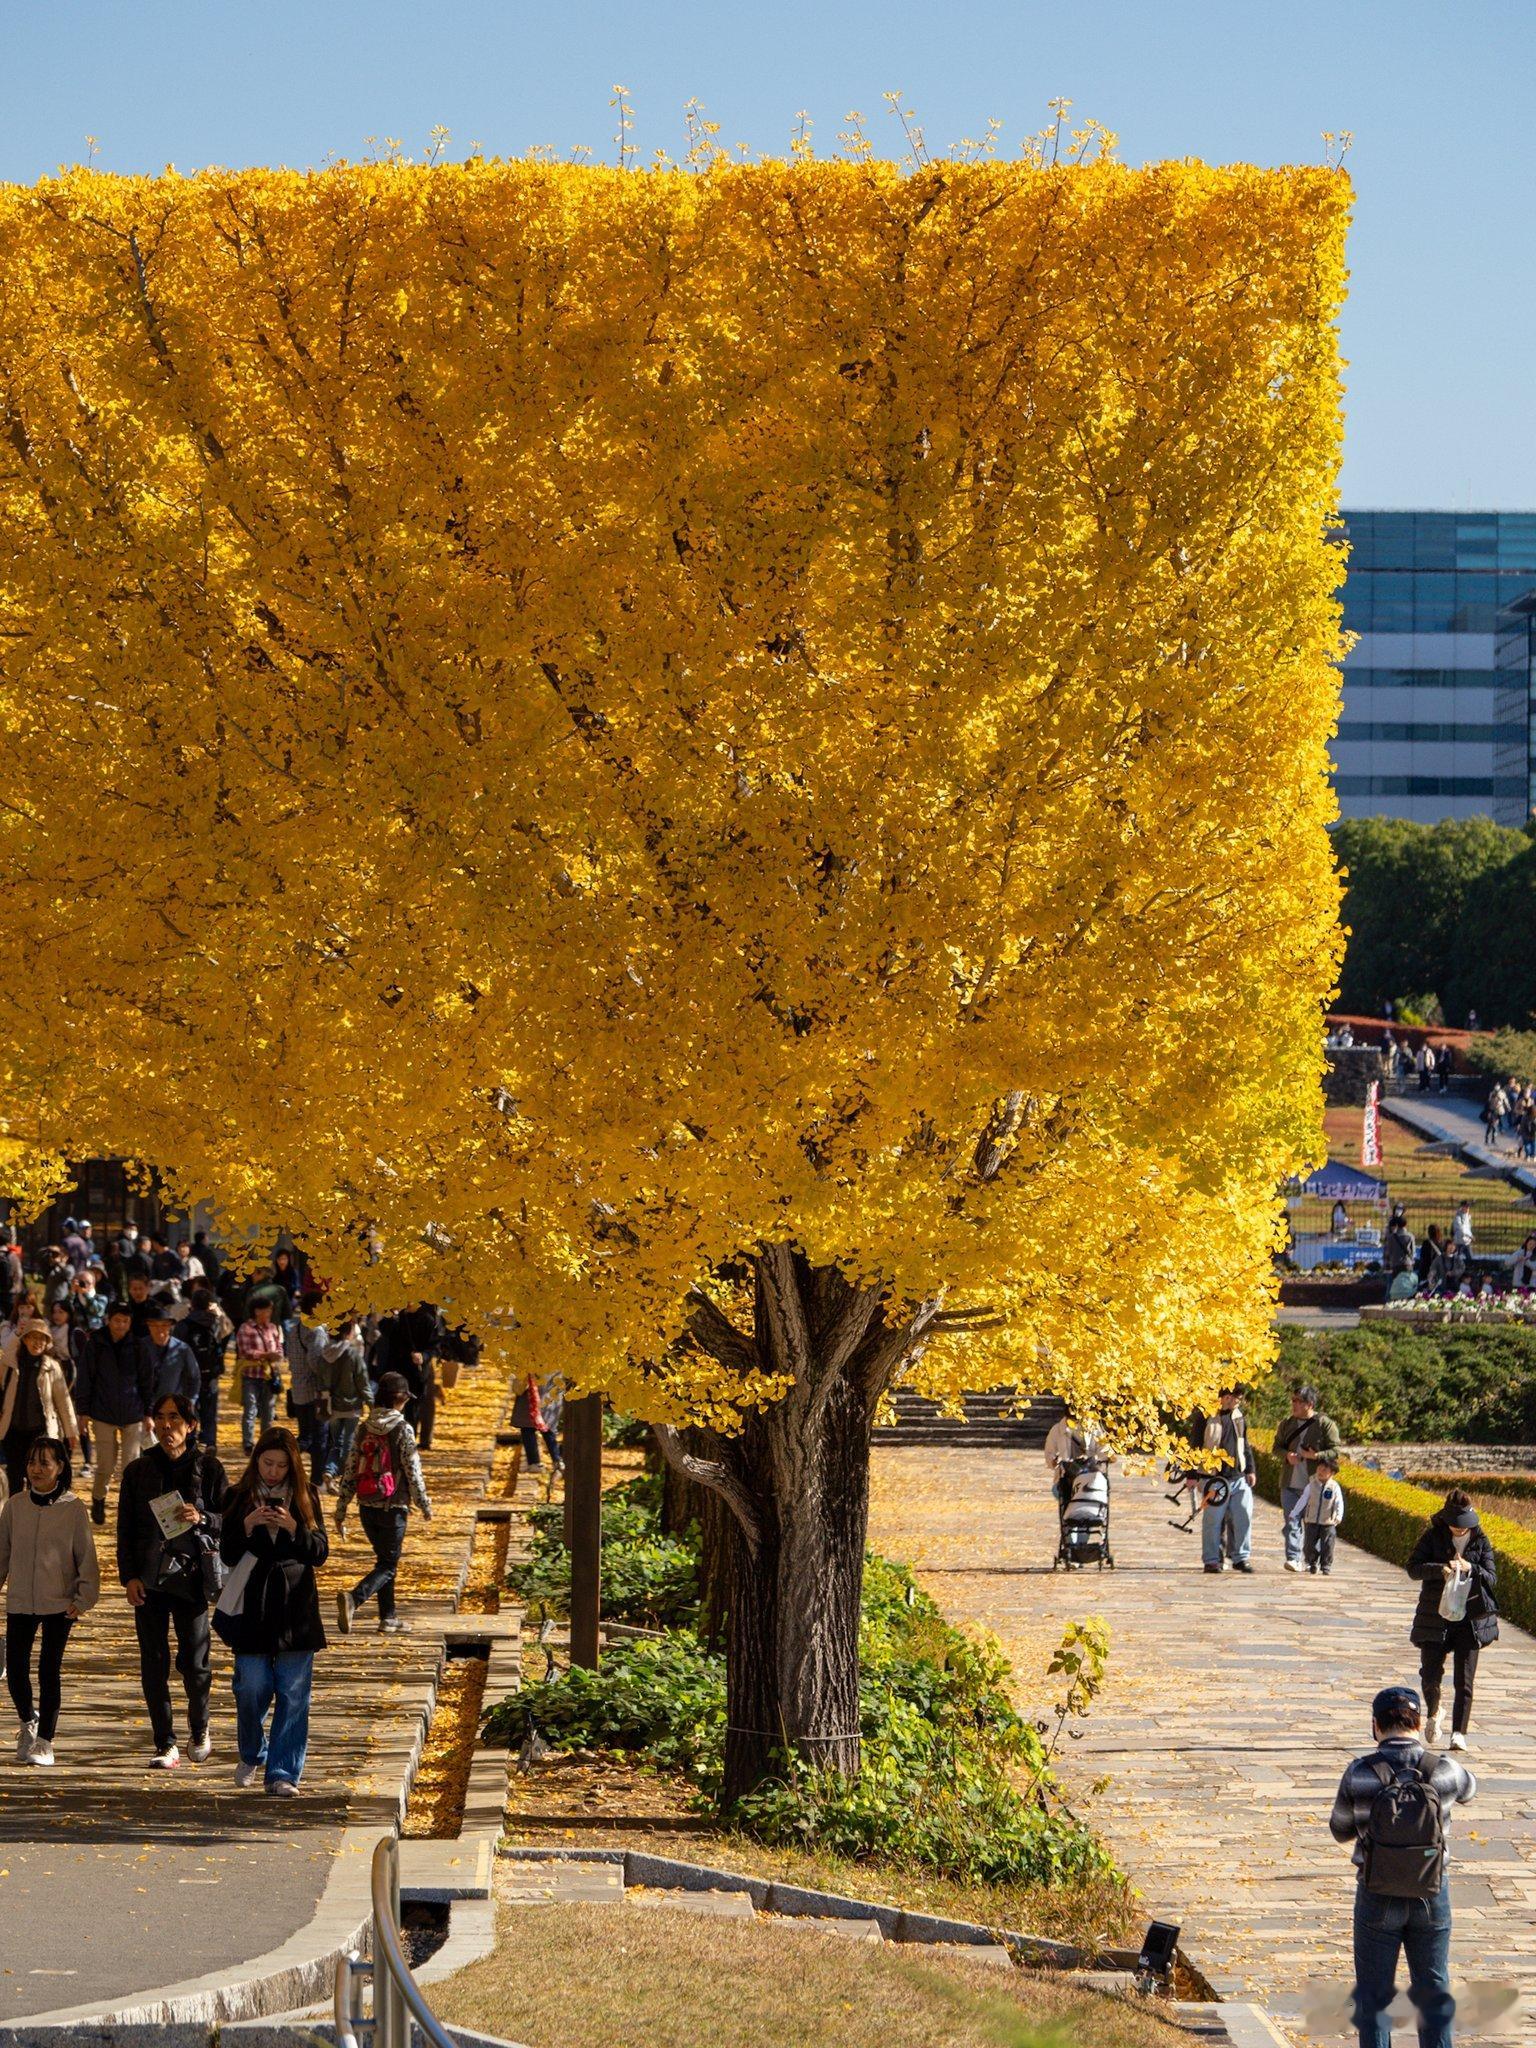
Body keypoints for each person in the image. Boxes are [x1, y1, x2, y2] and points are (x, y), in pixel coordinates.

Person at [1329, 1684, 1474, 2048]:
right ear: (1418, 1721)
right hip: (1431, 1892)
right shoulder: (1443, 1770)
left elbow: (1340, 1829)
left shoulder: (1359, 1773)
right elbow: (1470, 1789)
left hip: (1376, 1893)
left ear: (1376, 1725)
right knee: (1433, 1992)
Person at [117, 1392, 227, 1767]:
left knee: (195, 1663)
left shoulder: (209, 1469)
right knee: (154, 1662)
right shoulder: (138, 1470)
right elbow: (125, 1529)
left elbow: (229, 1521)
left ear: (191, 1425)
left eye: (176, 1418)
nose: (167, 1426)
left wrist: (204, 1518)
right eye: (161, 1417)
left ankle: (200, 1728)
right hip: (149, 1580)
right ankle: (164, 1742)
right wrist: (129, 1576)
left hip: (192, 1579)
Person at [217, 1426, 327, 1792]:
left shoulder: (306, 1495)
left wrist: (295, 1528)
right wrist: (247, 1525)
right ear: (257, 1461)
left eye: (281, 1465)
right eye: (267, 1463)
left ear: (292, 1466)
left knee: (294, 1693)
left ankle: (283, 1773)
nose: (273, 1472)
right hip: (253, 1603)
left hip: (296, 1604)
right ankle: (252, 1751)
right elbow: (227, 1553)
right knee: (252, 1686)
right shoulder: (238, 1495)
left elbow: (320, 1553)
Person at [0, 1436, 99, 1765]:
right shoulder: (14, 1506)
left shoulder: (73, 1508)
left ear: (60, 1467)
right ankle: (29, 1720)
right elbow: (2, 1554)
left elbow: (86, 1557)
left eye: (45, 1462)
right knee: (15, 1669)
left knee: (48, 1669)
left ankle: (45, 1741)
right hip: (20, 1600)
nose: (37, 1469)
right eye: (32, 1462)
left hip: (60, 1602)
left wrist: (84, 1598)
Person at [334, 1372, 431, 1636]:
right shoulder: (403, 1428)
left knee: (385, 1562)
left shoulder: (363, 1427)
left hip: (367, 1507)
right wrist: (423, 1503)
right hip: (393, 1506)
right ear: (400, 1399)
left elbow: (351, 1468)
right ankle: (354, 1598)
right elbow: (412, 1470)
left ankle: (388, 1618)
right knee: (388, 1565)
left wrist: (341, 1509)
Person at [1408, 1490, 1497, 1752]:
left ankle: (1459, 1732)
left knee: (1464, 1680)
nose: (1460, 1531)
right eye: (1455, 1526)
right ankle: (1435, 1711)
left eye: (1464, 1527)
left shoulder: (1481, 1540)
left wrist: (1472, 1568)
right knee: (1429, 1674)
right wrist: (1440, 1569)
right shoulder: (1433, 1536)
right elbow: (1413, 1567)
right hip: (1435, 1615)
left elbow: (1492, 1577)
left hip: (1470, 1619)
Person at [73, 1303, 153, 1527]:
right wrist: (83, 1412)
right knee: (105, 1464)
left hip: (133, 1413)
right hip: (103, 1413)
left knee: (131, 1464)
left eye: (125, 1321)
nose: (121, 1325)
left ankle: (131, 1506)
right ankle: (99, 1499)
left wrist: (149, 1412)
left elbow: (147, 1381)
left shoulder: (138, 1346)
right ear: (109, 1319)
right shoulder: (95, 1344)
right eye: (117, 1320)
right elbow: (85, 1379)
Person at [0, 1318, 81, 1498]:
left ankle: (37, 1516)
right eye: (33, 1337)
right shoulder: (10, 1363)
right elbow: (6, 1351)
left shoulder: (52, 1367)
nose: (37, 1342)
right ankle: (15, 1519)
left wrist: (71, 1431)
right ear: (25, 1339)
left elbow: (64, 1402)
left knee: (37, 1477)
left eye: (42, 1339)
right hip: (12, 1430)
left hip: (40, 1431)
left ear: (47, 1343)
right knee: (14, 1475)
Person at [1273, 1385, 1343, 1571]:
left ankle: (1313, 1560)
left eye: (1298, 1401)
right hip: (1290, 1483)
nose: (1294, 1404)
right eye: (1293, 1400)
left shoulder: (1324, 1424)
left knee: (1313, 1526)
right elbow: (1276, 1447)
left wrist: (1316, 1456)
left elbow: (1336, 1450)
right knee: (1292, 1520)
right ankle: (1294, 1558)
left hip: (1315, 1487)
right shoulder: (1286, 1424)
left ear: (1309, 1404)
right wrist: (1286, 1455)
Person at [1200, 1387, 1256, 1574]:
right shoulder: (1206, 1416)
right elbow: (1193, 1444)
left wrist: (1250, 1469)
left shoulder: (1239, 1417)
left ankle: (1241, 1557)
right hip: (1214, 1478)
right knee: (1212, 1521)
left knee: (1243, 1516)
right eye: (1237, 1399)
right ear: (1227, 1398)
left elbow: (1244, 1443)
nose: (1239, 1402)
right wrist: (1192, 1475)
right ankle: (1211, 1560)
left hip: (1238, 1476)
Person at [313, 1316, 370, 1492]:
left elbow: (319, 1379)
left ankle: (330, 1471)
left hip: (331, 1405)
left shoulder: (324, 1355)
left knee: (335, 1442)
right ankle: (344, 1476)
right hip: (351, 1405)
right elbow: (362, 1380)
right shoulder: (353, 1355)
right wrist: (370, 1402)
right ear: (348, 1332)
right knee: (348, 1442)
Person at [180, 1284, 231, 1452]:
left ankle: (190, 1441)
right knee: (210, 1411)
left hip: (189, 1374)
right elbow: (227, 1336)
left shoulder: (184, 1324)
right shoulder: (215, 1323)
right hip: (211, 1373)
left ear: (192, 1304)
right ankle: (210, 1442)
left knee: (189, 1409)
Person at [235, 1299, 285, 1451]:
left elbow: (279, 1348)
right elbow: (244, 1351)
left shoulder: (273, 1328)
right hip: (251, 1375)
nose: (269, 1313)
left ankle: (266, 1442)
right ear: (257, 1311)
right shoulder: (246, 1328)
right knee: (250, 1409)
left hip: (269, 1376)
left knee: (268, 1411)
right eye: (266, 1310)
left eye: (270, 1310)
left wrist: (277, 1356)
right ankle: (248, 1443)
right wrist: (265, 1355)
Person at [283, 1299, 330, 1459]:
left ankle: (289, 1462)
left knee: (305, 1436)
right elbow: (316, 1361)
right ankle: (315, 1477)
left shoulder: (295, 1329)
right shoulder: (317, 1330)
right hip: (316, 1391)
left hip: (298, 1390)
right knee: (319, 1440)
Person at [1290, 1454, 1344, 1575]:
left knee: (1328, 1544)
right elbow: (1303, 1500)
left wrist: (1339, 1515)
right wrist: (1294, 1512)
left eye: (1325, 1469)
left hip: (1328, 1522)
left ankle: (1326, 1565)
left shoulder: (1334, 1487)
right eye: (1319, 1468)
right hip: (1312, 1520)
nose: (1321, 1471)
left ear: (1332, 1473)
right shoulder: (1311, 1485)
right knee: (1309, 1544)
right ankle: (1312, 1563)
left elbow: (1338, 1502)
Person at [145, 1305, 200, 1411]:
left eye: (164, 1325)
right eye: (155, 1325)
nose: (160, 1330)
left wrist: (190, 1402)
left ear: (170, 1326)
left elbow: (194, 1377)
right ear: (148, 1326)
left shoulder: (182, 1349)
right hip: (144, 1410)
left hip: (173, 1408)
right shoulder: (140, 1347)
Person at [1414, 1224, 1446, 1297]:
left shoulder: (1427, 1243)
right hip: (1439, 1271)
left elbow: (1424, 1257)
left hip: (1426, 1271)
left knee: (1426, 1292)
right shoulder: (1442, 1242)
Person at [1383, 1208, 1414, 1280]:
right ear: (1405, 1224)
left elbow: (1389, 1252)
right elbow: (1412, 1252)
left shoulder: (1391, 1237)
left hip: (1395, 1264)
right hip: (1407, 1264)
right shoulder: (1410, 1236)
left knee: (1396, 1284)